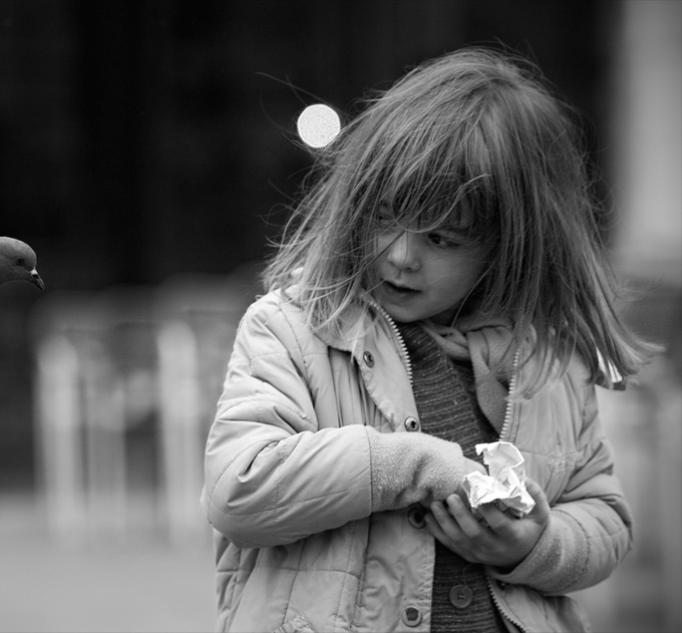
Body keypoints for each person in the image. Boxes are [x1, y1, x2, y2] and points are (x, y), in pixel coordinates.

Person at [200, 47, 653, 633]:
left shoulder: (548, 362)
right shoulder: (294, 328)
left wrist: (534, 544)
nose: (400, 255)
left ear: (509, 245)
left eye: (442, 239)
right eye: (386, 217)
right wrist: (409, 463)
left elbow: (607, 521)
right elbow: (239, 492)